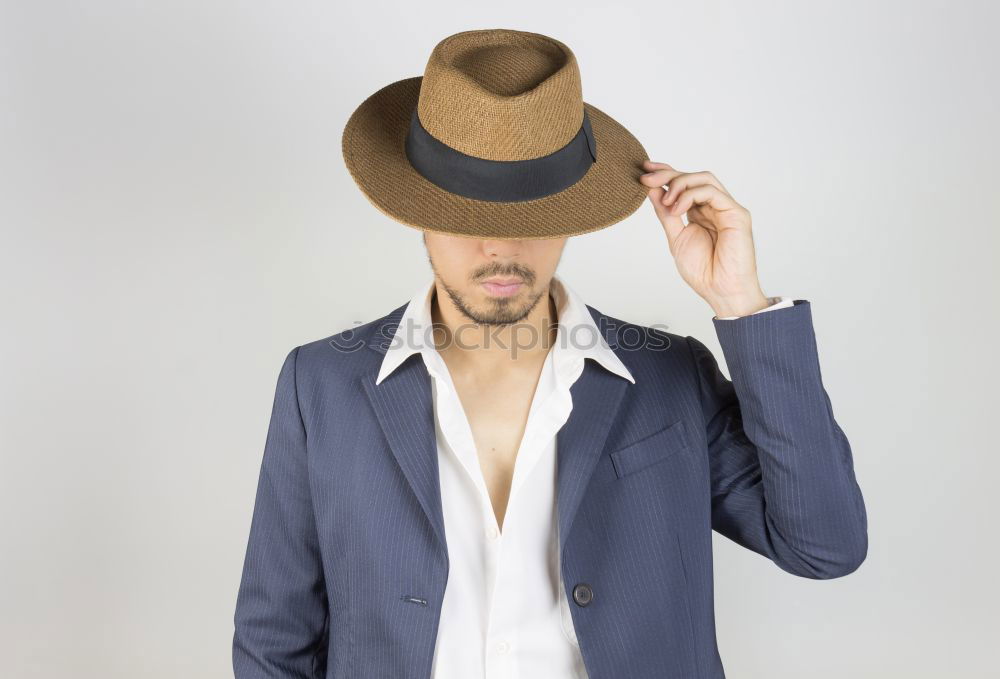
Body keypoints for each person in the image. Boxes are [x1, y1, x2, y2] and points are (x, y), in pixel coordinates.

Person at [233, 28, 867, 679]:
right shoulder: (322, 384)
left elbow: (824, 544)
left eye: (532, 212)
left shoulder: (670, 377)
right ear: (417, 211)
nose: (500, 245)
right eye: (466, 212)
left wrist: (742, 302)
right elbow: (274, 637)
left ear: (570, 215)